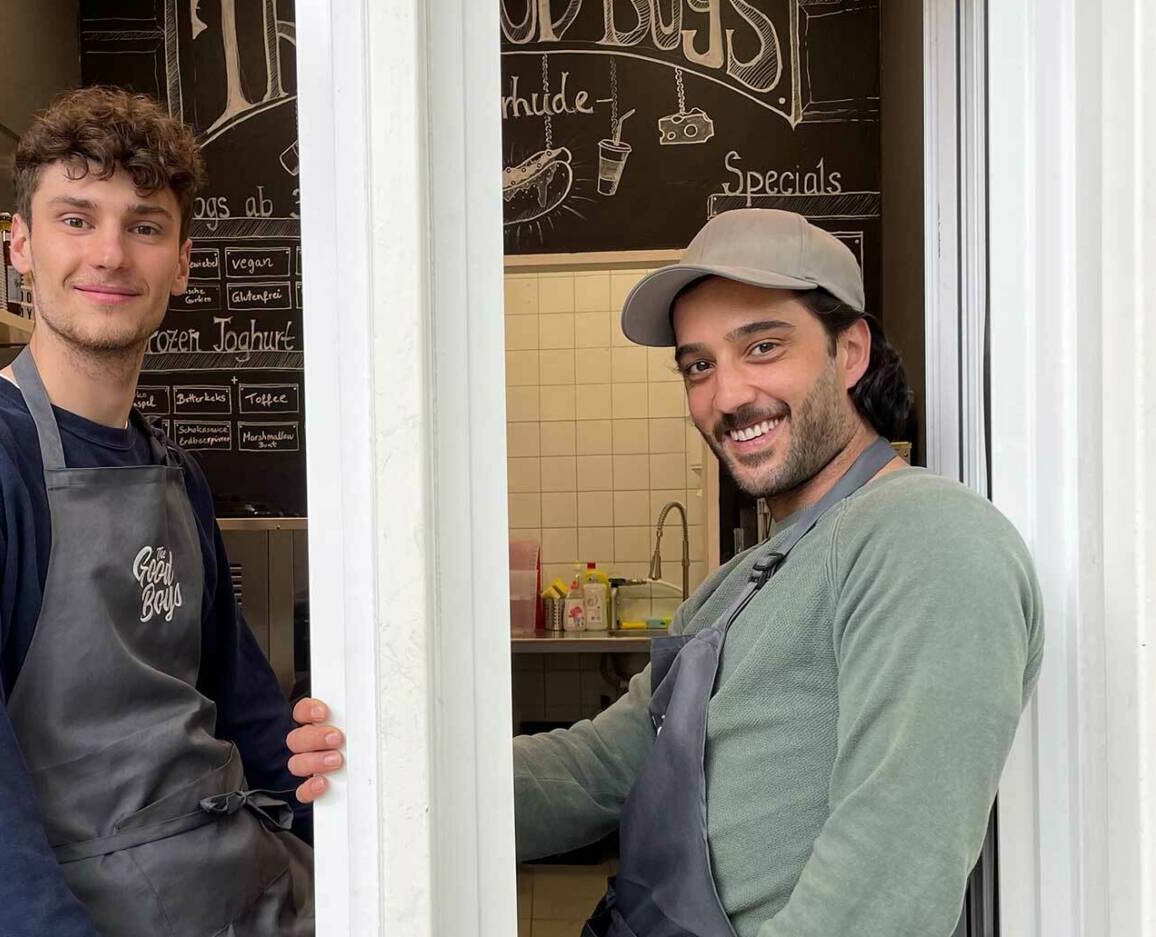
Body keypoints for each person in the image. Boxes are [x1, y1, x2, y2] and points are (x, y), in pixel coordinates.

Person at [287, 209, 1043, 937]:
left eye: (763, 347)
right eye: (699, 366)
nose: (728, 395)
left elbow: (886, 889)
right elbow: (601, 767)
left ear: (850, 353)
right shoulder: (742, 579)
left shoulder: (927, 538)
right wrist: (386, 770)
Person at [0, 87, 312, 937]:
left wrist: (348, 819)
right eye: (76, 218)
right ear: (21, 244)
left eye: (145, 226)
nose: (111, 255)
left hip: (258, 900)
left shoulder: (175, 472)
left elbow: (249, 720)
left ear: (183, 260)